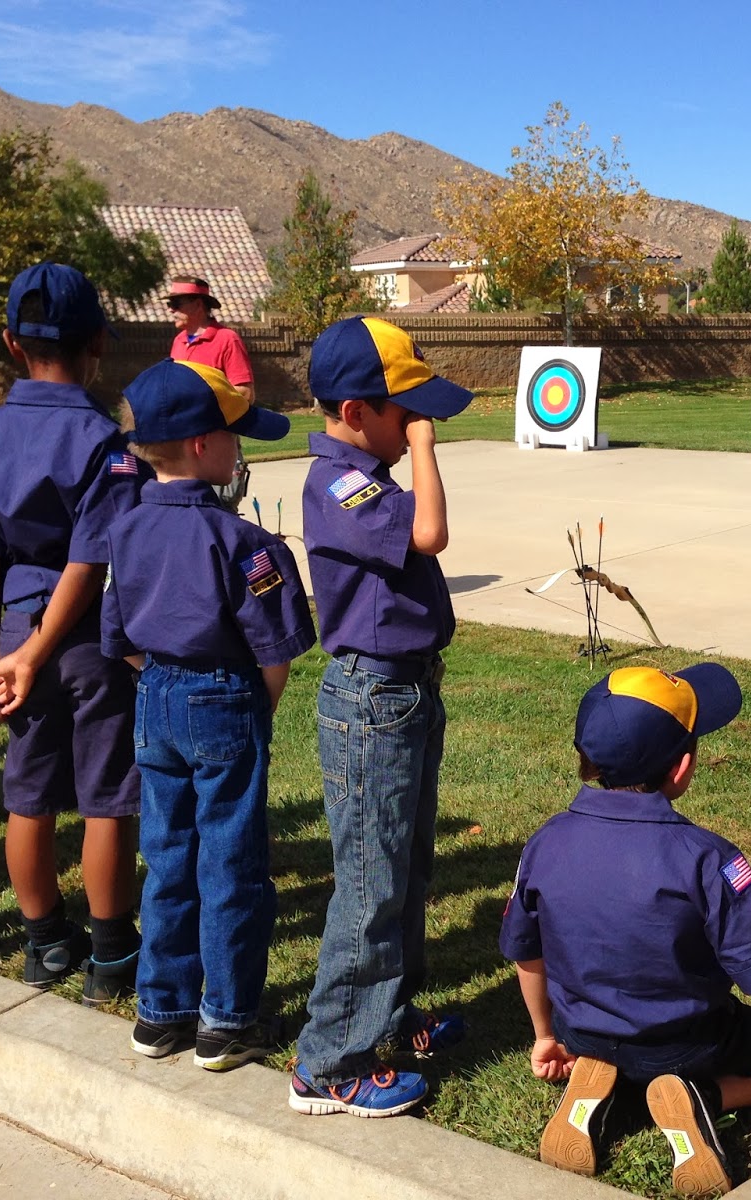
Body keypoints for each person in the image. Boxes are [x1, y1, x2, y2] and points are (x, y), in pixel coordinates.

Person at [500, 663, 751, 1197]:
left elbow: (525, 952)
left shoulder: (544, 843)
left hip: (581, 1032)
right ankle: (701, 1101)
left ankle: (593, 1094)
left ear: (587, 761)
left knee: (608, 1053)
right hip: (687, 1043)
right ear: (681, 768)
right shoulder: (709, 859)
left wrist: (546, 1036)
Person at [100, 358, 315, 1070]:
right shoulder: (247, 543)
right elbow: (276, 651)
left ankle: (160, 1011)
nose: (241, 449)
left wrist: (164, 685)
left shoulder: (125, 532)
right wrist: (253, 709)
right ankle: (226, 1018)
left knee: (167, 857)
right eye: (234, 436)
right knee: (231, 863)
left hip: (153, 693)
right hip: (225, 697)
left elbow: (118, 638)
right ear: (200, 445)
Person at [0, 263, 146, 1003]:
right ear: (96, 341)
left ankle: (43, 941)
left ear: (8, 342)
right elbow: (90, 560)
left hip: (21, 634)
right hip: (87, 642)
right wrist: (35, 653)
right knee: (105, 799)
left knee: (26, 796)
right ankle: (112, 952)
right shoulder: (104, 439)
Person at [288, 316, 471, 1118]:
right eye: (407, 415)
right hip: (374, 699)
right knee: (369, 881)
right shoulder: (338, 482)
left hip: (405, 691)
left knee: (405, 869)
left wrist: (414, 441)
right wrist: (427, 449)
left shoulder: (366, 472)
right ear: (358, 410)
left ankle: (389, 1012)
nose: (416, 430)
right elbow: (429, 533)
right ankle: (329, 1063)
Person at [166, 276, 253, 513]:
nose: (171, 310)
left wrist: (204, 414)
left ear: (199, 305)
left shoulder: (226, 340)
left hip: (216, 447)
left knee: (219, 511)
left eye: (177, 303)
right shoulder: (178, 343)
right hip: (183, 445)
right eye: (169, 304)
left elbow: (245, 393)